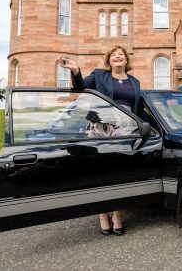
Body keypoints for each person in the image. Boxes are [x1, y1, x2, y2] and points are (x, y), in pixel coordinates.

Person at [60, 45, 140, 236]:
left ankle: (117, 212)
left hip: (125, 130)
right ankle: (102, 213)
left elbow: (139, 103)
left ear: (126, 60)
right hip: (99, 128)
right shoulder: (99, 75)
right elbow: (80, 89)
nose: (118, 56)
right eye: (114, 54)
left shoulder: (135, 81)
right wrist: (76, 71)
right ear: (109, 60)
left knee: (118, 173)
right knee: (99, 172)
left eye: (121, 54)